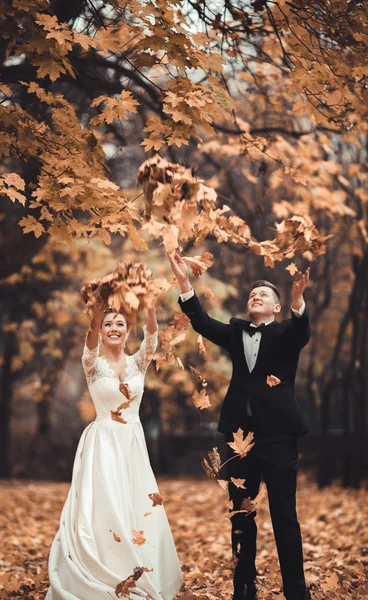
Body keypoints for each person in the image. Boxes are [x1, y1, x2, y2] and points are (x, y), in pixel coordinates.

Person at [168, 252, 311, 600]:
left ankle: (296, 591)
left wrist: (297, 301)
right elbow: (201, 322)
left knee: (284, 515)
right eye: (252, 295)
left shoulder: (285, 335)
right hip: (238, 438)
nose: (256, 296)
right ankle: (243, 590)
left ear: (276, 308)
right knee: (240, 516)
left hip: (278, 435)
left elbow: (301, 332)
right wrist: (185, 282)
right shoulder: (235, 332)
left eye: (264, 295)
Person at [46, 297, 182, 600]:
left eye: (119, 323)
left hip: (132, 443)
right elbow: (91, 342)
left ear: (127, 329)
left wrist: (149, 307)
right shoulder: (92, 364)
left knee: (136, 505)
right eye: (108, 324)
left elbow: (152, 338)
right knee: (107, 506)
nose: (113, 328)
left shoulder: (137, 363)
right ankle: (103, 568)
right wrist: (95, 318)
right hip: (103, 443)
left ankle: (140, 571)